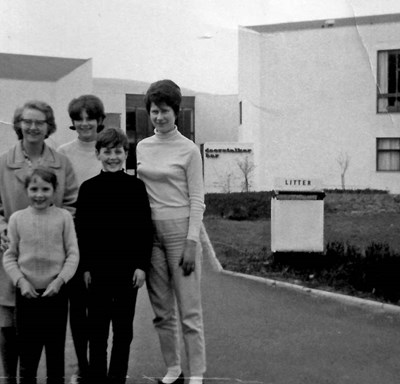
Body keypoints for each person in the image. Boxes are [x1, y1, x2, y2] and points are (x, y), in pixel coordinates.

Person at [0, 100, 78, 384]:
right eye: (27, 121)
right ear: (19, 124)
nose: (33, 127)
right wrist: (2, 226)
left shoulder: (62, 163)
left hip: (50, 258)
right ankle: (10, 377)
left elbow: (71, 203)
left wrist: (52, 226)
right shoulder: (2, 162)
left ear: (49, 127)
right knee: (8, 323)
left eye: (40, 122)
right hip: (12, 253)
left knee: (51, 335)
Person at [136, 80, 206, 384]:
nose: (159, 117)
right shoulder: (141, 147)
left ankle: (197, 373)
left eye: (165, 111)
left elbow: (197, 200)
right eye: (154, 111)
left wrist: (192, 242)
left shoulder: (189, 150)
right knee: (162, 310)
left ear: (176, 112)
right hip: (150, 234)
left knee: (189, 311)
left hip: (181, 233)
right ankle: (173, 368)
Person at [75, 127, 153, 384]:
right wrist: (84, 267)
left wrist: (142, 266)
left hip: (127, 273)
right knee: (96, 332)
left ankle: (116, 378)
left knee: (123, 332)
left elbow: (144, 230)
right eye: (107, 152)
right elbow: (82, 232)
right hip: (96, 274)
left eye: (118, 151)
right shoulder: (88, 190)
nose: (112, 157)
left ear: (126, 154)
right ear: (97, 154)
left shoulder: (136, 188)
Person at [57, 94, 105, 384]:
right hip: (73, 236)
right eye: (79, 118)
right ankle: (78, 368)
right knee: (77, 308)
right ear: (73, 122)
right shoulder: (62, 153)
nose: (85, 123)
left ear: (100, 120)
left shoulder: (109, 149)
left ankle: (98, 366)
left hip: (103, 239)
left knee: (99, 307)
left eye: (90, 117)